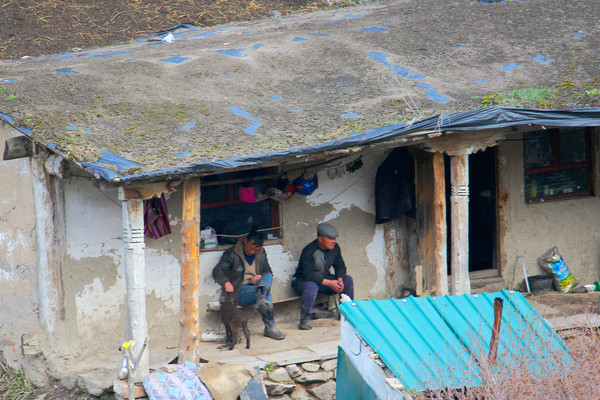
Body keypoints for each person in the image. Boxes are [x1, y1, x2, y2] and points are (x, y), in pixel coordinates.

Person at [212, 229, 286, 340]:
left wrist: (260, 276)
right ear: (245, 241)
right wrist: (226, 282)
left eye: (257, 249)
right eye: (252, 248)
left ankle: (262, 300)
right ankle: (270, 327)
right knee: (265, 295)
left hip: (256, 288)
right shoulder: (232, 253)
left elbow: (268, 271)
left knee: (268, 277)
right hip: (239, 291)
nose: (253, 252)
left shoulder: (261, 253)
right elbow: (217, 271)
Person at [292, 223, 354, 330]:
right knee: (311, 286)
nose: (333, 241)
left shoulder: (335, 248)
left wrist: (339, 280)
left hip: (324, 280)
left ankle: (346, 313)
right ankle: (305, 319)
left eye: (334, 239)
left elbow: (340, 266)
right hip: (303, 282)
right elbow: (308, 275)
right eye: (330, 239)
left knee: (347, 280)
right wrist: (330, 283)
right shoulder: (309, 250)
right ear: (320, 239)